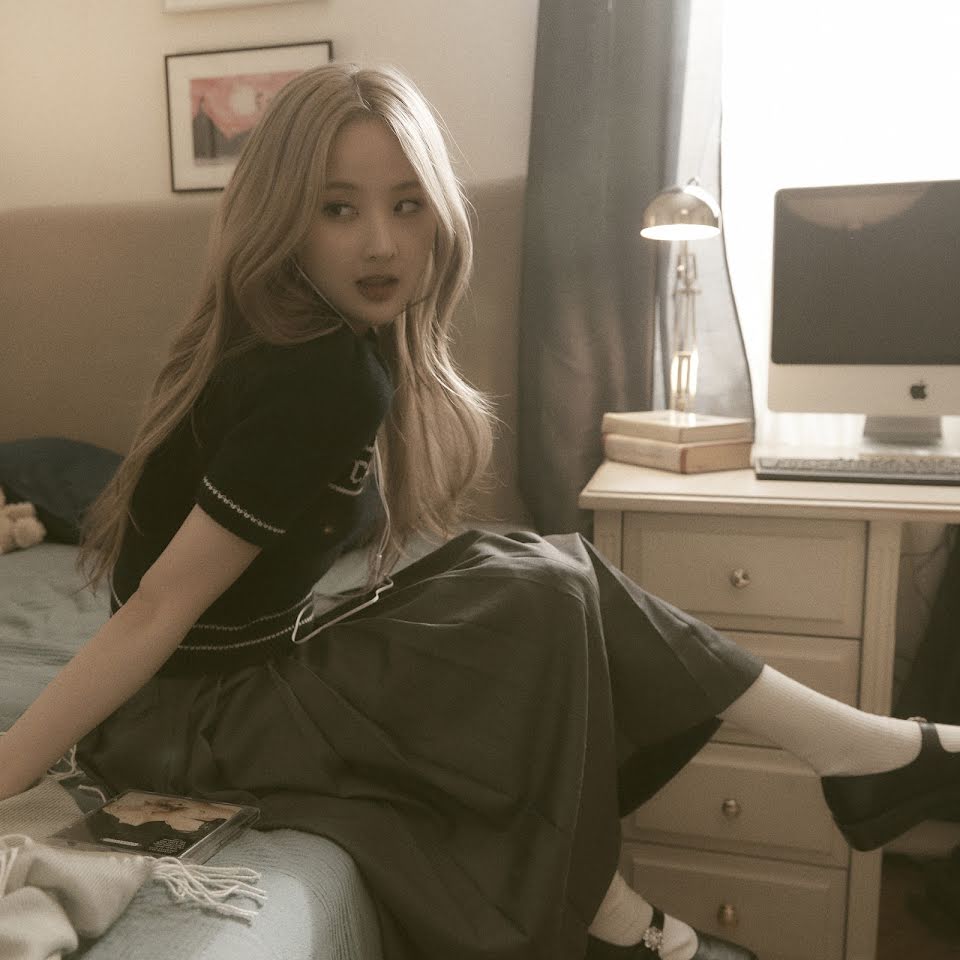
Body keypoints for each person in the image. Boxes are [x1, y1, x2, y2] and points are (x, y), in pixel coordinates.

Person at [1, 63, 958, 960]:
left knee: (521, 568)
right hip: (191, 722)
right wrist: (11, 766)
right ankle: (828, 777)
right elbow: (157, 607)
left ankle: (776, 815)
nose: (381, 243)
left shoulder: (316, 340)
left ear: (439, 217)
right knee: (538, 593)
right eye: (338, 209)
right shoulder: (319, 376)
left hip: (217, 694)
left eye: (406, 204)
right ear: (284, 220)